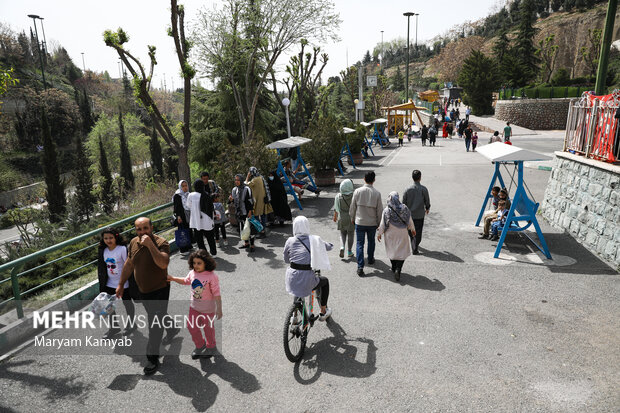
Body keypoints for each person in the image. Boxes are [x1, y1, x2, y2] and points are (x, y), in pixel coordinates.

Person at [116, 217, 177, 376]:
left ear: (152, 227)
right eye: (139, 229)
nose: (142, 232)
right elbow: (129, 263)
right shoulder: (133, 242)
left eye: (145, 228)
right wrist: (121, 284)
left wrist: (150, 245)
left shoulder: (161, 242)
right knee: (157, 315)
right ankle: (172, 328)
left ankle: (152, 358)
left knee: (154, 324)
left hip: (159, 289)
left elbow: (163, 264)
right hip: (143, 290)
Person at [167, 249, 222, 360]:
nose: (196, 265)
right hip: (194, 308)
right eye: (194, 263)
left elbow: (217, 294)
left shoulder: (211, 276)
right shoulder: (192, 273)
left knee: (208, 329)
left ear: (206, 263)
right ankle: (200, 345)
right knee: (192, 327)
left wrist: (219, 309)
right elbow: (186, 281)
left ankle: (211, 347)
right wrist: (173, 278)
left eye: (199, 263)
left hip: (208, 309)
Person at [283, 216, 333, 321]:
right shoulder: (314, 240)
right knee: (325, 282)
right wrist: (330, 245)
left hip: (291, 277)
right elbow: (328, 246)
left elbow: (286, 259)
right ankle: (323, 311)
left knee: (297, 289)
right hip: (307, 278)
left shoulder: (290, 240)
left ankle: (295, 315)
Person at [98, 227, 136, 338]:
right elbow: (102, 267)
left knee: (127, 304)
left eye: (111, 238)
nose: (108, 240)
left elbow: (129, 265)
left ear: (116, 237)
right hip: (109, 283)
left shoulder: (122, 249)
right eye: (105, 238)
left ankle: (131, 324)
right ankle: (114, 327)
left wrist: (125, 282)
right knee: (108, 306)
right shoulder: (103, 250)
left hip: (124, 282)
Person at [349, 171, 383, 277]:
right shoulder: (377, 193)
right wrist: (379, 223)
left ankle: (360, 266)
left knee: (359, 243)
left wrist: (352, 217)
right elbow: (379, 210)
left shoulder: (357, 191)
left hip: (360, 221)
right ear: (374, 180)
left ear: (364, 179)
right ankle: (371, 258)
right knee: (371, 241)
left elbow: (353, 207)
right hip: (372, 222)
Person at [377, 192, 416, 281]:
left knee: (392, 250)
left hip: (390, 234)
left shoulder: (387, 210)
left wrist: (379, 233)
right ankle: (398, 268)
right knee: (401, 252)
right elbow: (410, 220)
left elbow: (382, 223)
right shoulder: (405, 208)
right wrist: (412, 229)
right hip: (402, 233)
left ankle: (394, 266)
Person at [402, 170, 430, 255]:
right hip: (420, 214)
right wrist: (427, 208)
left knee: (411, 231)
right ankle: (415, 246)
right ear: (420, 178)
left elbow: (403, 202)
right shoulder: (423, 189)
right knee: (418, 231)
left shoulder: (407, 189)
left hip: (410, 215)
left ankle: (414, 244)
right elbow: (427, 200)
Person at [187, 179, 217, 256]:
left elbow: (188, 206)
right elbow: (211, 207)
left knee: (199, 239)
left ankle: (204, 254)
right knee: (210, 237)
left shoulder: (191, 195)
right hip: (207, 220)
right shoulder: (206, 195)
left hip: (196, 220)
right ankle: (213, 253)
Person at [231, 173, 256, 252]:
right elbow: (232, 201)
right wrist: (230, 199)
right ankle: (246, 243)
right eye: (235, 180)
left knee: (250, 228)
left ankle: (252, 245)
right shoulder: (234, 189)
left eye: (238, 180)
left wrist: (250, 211)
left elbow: (250, 201)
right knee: (242, 228)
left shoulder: (247, 189)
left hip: (246, 212)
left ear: (241, 180)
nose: (237, 181)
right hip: (239, 212)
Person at [246, 166, 273, 233]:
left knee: (256, 216)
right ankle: (263, 229)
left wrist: (247, 177)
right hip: (263, 200)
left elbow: (246, 184)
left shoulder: (254, 180)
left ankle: (260, 230)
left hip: (257, 202)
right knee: (263, 216)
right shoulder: (261, 177)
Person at [333, 179, 355, 259]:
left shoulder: (338, 196)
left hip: (342, 217)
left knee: (342, 233)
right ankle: (349, 251)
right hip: (351, 218)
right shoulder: (354, 195)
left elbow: (336, 208)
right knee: (351, 234)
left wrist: (335, 216)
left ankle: (342, 247)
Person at [172, 180, 193, 256]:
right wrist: (178, 216)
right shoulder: (177, 195)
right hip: (181, 215)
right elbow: (176, 207)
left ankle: (189, 245)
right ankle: (183, 250)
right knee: (182, 231)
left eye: (186, 185)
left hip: (188, 214)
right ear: (180, 187)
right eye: (183, 186)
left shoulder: (188, 194)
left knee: (188, 230)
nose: (185, 187)